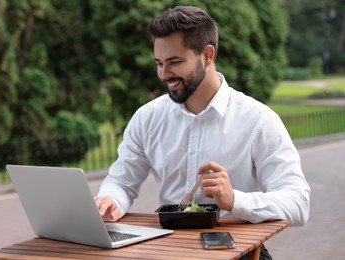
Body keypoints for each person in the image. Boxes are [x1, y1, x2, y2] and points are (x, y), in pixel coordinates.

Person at [95, 6, 310, 259]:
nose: (164, 75)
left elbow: (298, 204)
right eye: (159, 64)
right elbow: (121, 181)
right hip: (169, 250)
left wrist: (234, 200)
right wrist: (111, 200)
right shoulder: (147, 118)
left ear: (207, 55)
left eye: (175, 62)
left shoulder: (258, 121)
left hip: (239, 253)